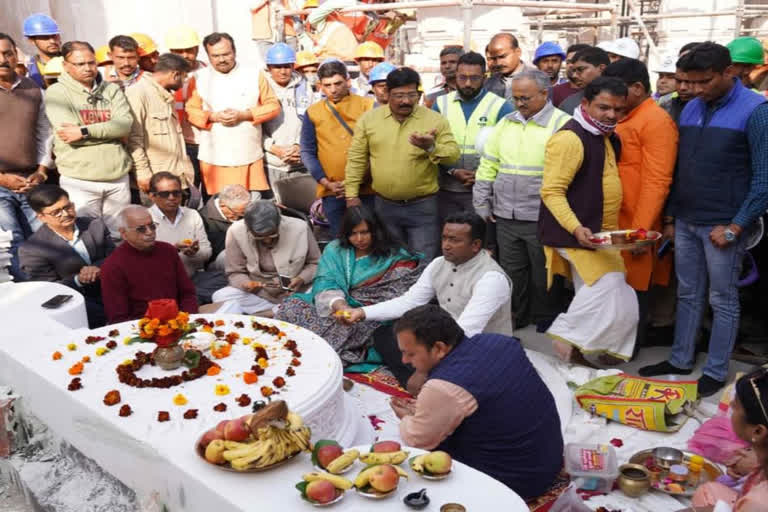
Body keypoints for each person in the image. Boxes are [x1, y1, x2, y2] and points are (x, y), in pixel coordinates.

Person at [639, 43, 768, 397]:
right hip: (685, 219)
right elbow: (680, 167)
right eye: (687, 82)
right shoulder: (691, 108)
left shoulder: (756, 111)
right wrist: (670, 216)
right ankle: (680, 360)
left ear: (729, 73)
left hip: (722, 225)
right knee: (688, 293)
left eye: (702, 82)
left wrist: (736, 226)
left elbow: (764, 178)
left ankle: (714, 369)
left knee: (722, 298)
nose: (693, 90)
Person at [389, 304, 563, 501]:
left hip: (514, 481)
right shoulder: (499, 341)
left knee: (417, 466)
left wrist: (406, 418)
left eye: (410, 353)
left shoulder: (442, 388)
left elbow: (417, 439)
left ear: (438, 348)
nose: (404, 360)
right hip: (549, 459)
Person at [341, 212, 512, 388]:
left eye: (454, 240)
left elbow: (467, 331)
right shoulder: (439, 263)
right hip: (444, 337)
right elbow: (410, 301)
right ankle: (424, 383)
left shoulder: (491, 279)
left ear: (475, 245)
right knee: (385, 334)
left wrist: (423, 367)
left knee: (437, 366)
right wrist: (362, 312)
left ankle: (429, 383)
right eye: (444, 238)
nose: (446, 245)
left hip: (479, 348)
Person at [538, 77, 639, 366]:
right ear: (585, 104)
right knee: (606, 286)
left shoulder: (604, 134)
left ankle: (582, 355)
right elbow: (552, 191)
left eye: (618, 110)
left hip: (601, 233)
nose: (611, 115)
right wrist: (575, 227)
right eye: (603, 107)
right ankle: (565, 340)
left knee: (613, 291)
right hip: (575, 232)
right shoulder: (570, 138)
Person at [474, 70, 571, 330]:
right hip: (506, 213)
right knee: (511, 270)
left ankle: (545, 316)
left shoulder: (562, 124)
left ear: (544, 93)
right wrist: (482, 200)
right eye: (515, 98)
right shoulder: (506, 123)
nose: (519, 104)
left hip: (542, 214)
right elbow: (489, 163)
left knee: (544, 271)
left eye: (525, 98)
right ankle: (517, 314)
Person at [277, 206, 423, 364]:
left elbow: (397, 294)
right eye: (353, 233)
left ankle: (320, 356)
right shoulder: (336, 249)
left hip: (368, 312)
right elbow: (325, 281)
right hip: (334, 305)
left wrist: (356, 311)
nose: (359, 239)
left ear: (376, 231)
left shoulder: (394, 256)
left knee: (346, 329)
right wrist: (340, 305)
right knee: (290, 306)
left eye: (365, 232)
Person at [602, 59, 678, 349]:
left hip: (636, 224)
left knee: (633, 294)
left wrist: (641, 232)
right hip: (613, 221)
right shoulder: (625, 117)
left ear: (636, 87)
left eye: (618, 91)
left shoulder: (657, 121)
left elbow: (657, 180)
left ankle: (623, 353)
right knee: (613, 290)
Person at [345, 67, 460, 260]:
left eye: (411, 95)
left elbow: (453, 155)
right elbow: (356, 158)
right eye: (399, 95)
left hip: (423, 207)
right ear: (386, 93)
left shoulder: (434, 120)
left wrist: (431, 147)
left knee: (424, 260)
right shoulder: (369, 120)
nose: (405, 101)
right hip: (384, 206)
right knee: (391, 261)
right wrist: (351, 195)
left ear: (419, 95)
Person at [44, 41, 133, 238]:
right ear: (66, 66)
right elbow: (68, 134)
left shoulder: (111, 90)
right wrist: (110, 131)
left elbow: (125, 125)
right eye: (79, 64)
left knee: (120, 235)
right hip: (80, 179)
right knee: (87, 236)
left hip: (117, 177)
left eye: (91, 63)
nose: (87, 68)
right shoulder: (57, 92)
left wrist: (84, 132)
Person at [186, 32, 281, 196]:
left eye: (226, 54)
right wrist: (213, 117)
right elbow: (191, 111)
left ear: (235, 52)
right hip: (214, 156)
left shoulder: (253, 74)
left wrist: (244, 115)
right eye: (215, 56)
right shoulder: (199, 78)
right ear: (208, 56)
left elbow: (273, 106)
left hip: (248, 153)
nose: (221, 59)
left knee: (251, 206)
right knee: (219, 207)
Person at [433, 51, 513, 221]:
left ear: (484, 77)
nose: (468, 83)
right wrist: (452, 171)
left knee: (479, 241)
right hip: (445, 190)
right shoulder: (441, 104)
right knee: (451, 241)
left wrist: (481, 175)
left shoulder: (500, 106)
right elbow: (431, 146)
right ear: (456, 76)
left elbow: (509, 150)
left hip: (484, 192)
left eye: (474, 78)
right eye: (462, 77)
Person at [20, 185, 114, 327]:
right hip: (75, 302)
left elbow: (115, 257)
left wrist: (96, 268)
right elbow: (47, 290)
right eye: (56, 212)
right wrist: (78, 279)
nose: (65, 214)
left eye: (68, 207)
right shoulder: (32, 249)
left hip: (112, 287)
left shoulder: (94, 225)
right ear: (41, 217)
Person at [301, 60, 375, 237]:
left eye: (338, 83)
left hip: (367, 189)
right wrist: (326, 182)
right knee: (340, 240)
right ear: (320, 86)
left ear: (348, 81)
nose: (333, 90)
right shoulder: (313, 112)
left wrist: (358, 180)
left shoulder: (368, 106)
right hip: (333, 192)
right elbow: (307, 152)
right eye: (327, 85)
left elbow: (378, 147)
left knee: (370, 239)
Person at [0, 33, 52, 280]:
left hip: (31, 180)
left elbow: (44, 132)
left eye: (7, 53)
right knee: (12, 242)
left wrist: (42, 169)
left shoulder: (33, 88)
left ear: (15, 55)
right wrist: (2, 179)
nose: (3, 59)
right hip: (1, 185)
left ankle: (52, 291)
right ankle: (28, 297)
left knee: (45, 238)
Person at [212, 200, 320, 315]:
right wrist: (246, 283)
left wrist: (301, 279)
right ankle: (281, 311)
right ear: (248, 228)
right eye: (259, 237)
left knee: (321, 294)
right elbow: (235, 272)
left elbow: (316, 263)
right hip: (259, 294)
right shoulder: (236, 231)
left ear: (279, 223)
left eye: (273, 235)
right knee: (220, 296)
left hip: (296, 291)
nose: (267, 240)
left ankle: (270, 313)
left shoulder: (300, 227)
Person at [100, 205, 198, 323]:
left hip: (180, 321)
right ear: (124, 233)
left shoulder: (168, 251)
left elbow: (187, 293)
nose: (150, 232)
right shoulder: (113, 266)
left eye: (152, 226)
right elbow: (118, 317)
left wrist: (186, 318)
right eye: (141, 229)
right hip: (141, 330)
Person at [690, 368, 768, 511]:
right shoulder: (761, 459)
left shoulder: (759, 502)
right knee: (709, 489)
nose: (730, 405)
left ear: (758, 431)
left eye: (736, 406)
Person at [126, 53, 194, 199]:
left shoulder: (164, 95)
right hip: (154, 182)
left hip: (175, 177)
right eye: (184, 77)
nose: (183, 83)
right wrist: (142, 172)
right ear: (175, 74)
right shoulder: (138, 93)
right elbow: (133, 138)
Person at [262, 43, 314, 188]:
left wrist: (299, 145)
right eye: (277, 67)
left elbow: (310, 122)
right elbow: (254, 127)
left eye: (287, 66)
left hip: (299, 161)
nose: (283, 71)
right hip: (271, 163)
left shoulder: (303, 86)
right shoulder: (262, 86)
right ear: (269, 67)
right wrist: (274, 149)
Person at [165, 25, 208, 199]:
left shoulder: (208, 71)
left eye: (188, 50)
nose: (184, 55)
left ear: (197, 49)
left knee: (211, 193)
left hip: (209, 142)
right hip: (182, 144)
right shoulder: (165, 75)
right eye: (178, 51)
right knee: (185, 194)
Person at [147, 172, 211, 277]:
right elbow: (143, 259)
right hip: (158, 281)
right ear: (152, 196)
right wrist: (173, 250)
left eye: (176, 193)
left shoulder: (192, 215)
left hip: (194, 279)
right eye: (164, 194)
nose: (172, 198)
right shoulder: (144, 219)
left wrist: (195, 253)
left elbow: (207, 252)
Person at [200, 184, 251, 268]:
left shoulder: (241, 209)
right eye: (236, 213)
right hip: (220, 262)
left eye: (243, 213)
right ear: (222, 205)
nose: (239, 217)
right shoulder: (203, 219)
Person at [558, 46, 610, 115]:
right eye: (574, 71)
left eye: (580, 69)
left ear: (602, 68)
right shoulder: (569, 105)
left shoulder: (625, 98)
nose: (574, 76)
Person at [485, 33, 535, 100]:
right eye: (494, 58)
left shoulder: (537, 79)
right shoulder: (490, 83)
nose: (498, 63)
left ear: (518, 52)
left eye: (502, 57)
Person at [22, 13, 61, 89]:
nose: (52, 41)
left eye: (55, 36)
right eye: (45, 37)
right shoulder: (28, 69)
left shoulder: (72, 61)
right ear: (31, 40)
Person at [551, 43, 591, 107]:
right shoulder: (555, 92)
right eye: (568, 62)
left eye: (575, 61)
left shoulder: (597, 91)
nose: (571, 65)